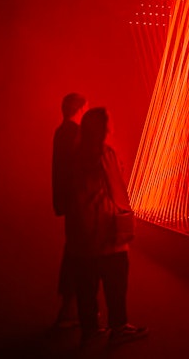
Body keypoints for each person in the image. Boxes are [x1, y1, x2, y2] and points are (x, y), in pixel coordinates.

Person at [66, 107, 148, 347]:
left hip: (82, 235)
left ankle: (90, 329)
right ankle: (119, 327)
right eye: (109, 121)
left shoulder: (76, 154)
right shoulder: (105, 153)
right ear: (103, 127)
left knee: (87, 286)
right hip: (107, 232)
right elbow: (118, 190)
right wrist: (127, 217)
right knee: (115, 283)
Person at [52, 92, 87, 328]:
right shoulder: (75, 133)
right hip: (79, 202)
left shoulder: (60, 131)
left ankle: (69, 307)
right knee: (78, 253)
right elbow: (81, 168)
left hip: (69, 200)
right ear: (80, 110)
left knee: (73, 249)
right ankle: (71, 309)